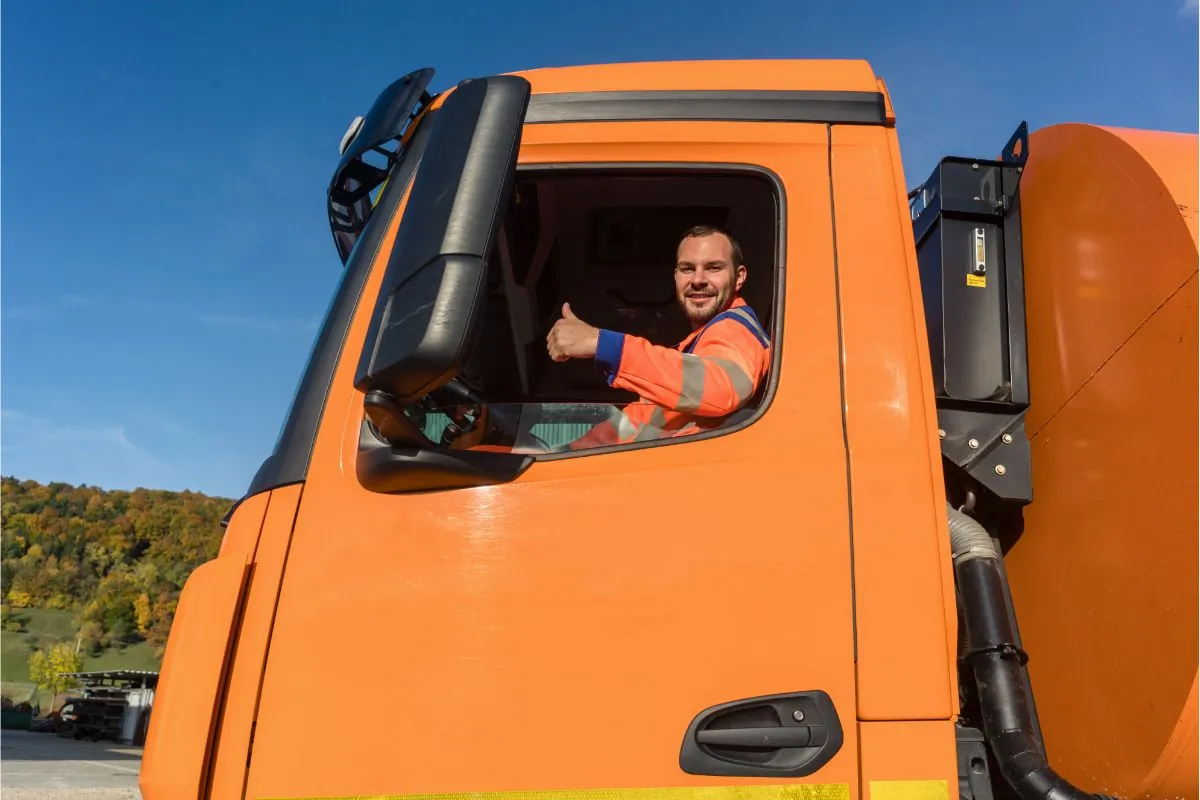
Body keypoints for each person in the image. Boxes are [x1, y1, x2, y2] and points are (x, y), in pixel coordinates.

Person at [546, 224, 771, 449]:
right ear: (675, 277)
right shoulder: (689, 353)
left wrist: (600, 343)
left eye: (713, 268)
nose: (698, 279)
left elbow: (722, 388)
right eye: (687, 268)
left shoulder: (735, 327)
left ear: (739, 277)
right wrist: (563, 453)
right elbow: (634, 424)